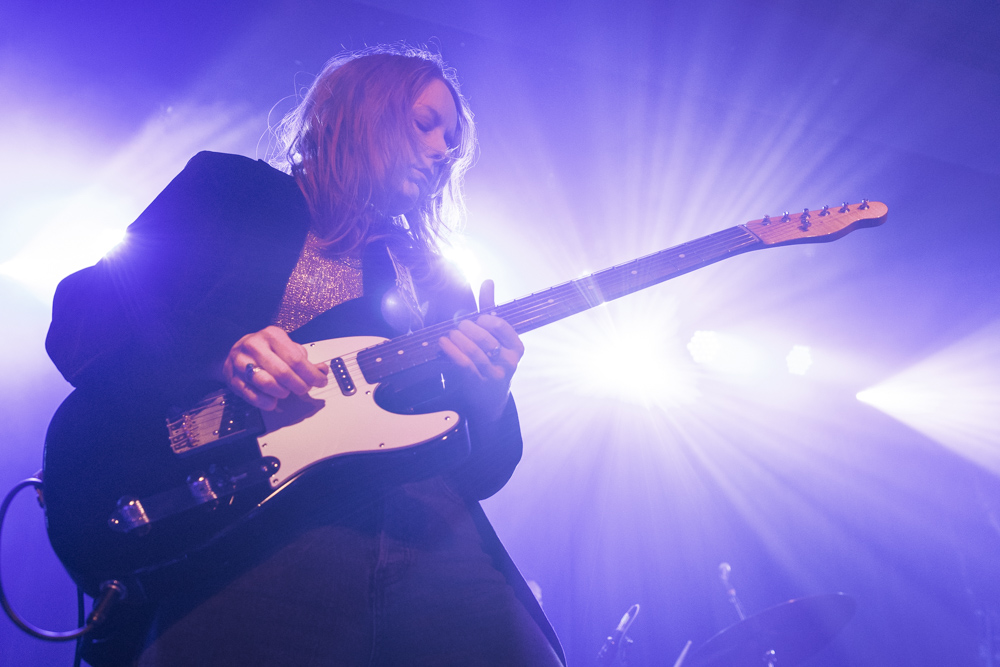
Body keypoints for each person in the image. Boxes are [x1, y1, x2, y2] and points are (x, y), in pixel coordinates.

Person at [45, 46, 565, 666]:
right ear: (357, 111)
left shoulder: (436, 282)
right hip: (258, 523)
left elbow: (483, 473)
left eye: (452, 139)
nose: (443, 149)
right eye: (425, 123)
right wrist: (220, 355)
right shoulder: (231, 191)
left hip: (425, 529)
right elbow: (81, 319)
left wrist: (491, 395)